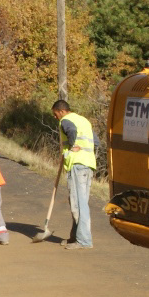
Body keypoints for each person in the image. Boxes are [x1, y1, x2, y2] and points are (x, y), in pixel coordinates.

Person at [53, 99, 97, 249]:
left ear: (61, 111)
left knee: (78, 203)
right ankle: (75, 236)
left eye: (55, 114)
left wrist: (71, 148)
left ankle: (84, 240)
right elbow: (95, 141)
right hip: (88, 164)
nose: (55, 117)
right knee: (78, 202)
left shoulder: (66, 120)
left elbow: (71, 131)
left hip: (77, 165)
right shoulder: (83, 120)